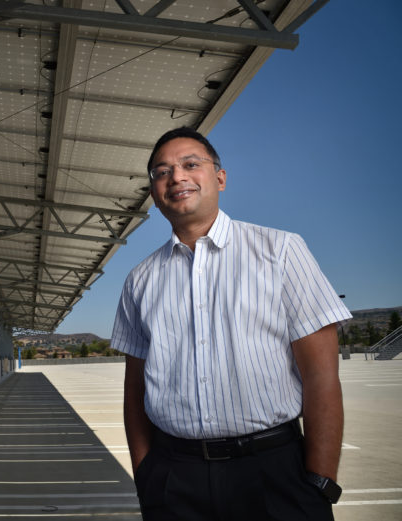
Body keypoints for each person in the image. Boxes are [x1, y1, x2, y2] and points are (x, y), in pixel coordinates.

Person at [112, 127, 350, 521]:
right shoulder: (139, 280)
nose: (177, 177)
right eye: (162, 171)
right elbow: (134, 390)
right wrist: (147, 477)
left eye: (191, 164)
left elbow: (321, 377)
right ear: (154, 192)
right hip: (175, 476)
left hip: (274, 472)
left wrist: (320, 482)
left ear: (220, 178)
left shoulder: (282, 252)